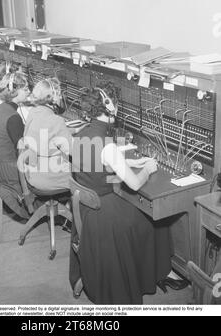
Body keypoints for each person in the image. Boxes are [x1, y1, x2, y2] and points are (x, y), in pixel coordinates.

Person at [69, 83, 174, 304]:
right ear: (109, 107)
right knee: (156, 219)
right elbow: (135, 184)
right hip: (105, 215)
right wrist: (147, 168)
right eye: (115, 104)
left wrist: (127, 161)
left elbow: (96, 167)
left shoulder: (80, 135)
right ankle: (157, 273)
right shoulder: (108, 146)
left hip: (87, 210)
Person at [0, 72, 30, 219]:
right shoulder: (13, 117)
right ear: (15, 91)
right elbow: (24, 153)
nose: (29, 91)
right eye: (26, 88)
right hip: (9, 172)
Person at [23, 77, 72, 191]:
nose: (60, 97)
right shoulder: (56, 120)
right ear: (52, 97)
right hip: (48, 178)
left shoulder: (33, 112)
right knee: (84, 173)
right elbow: (71, 150)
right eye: (59, 94)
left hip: (31, 173)